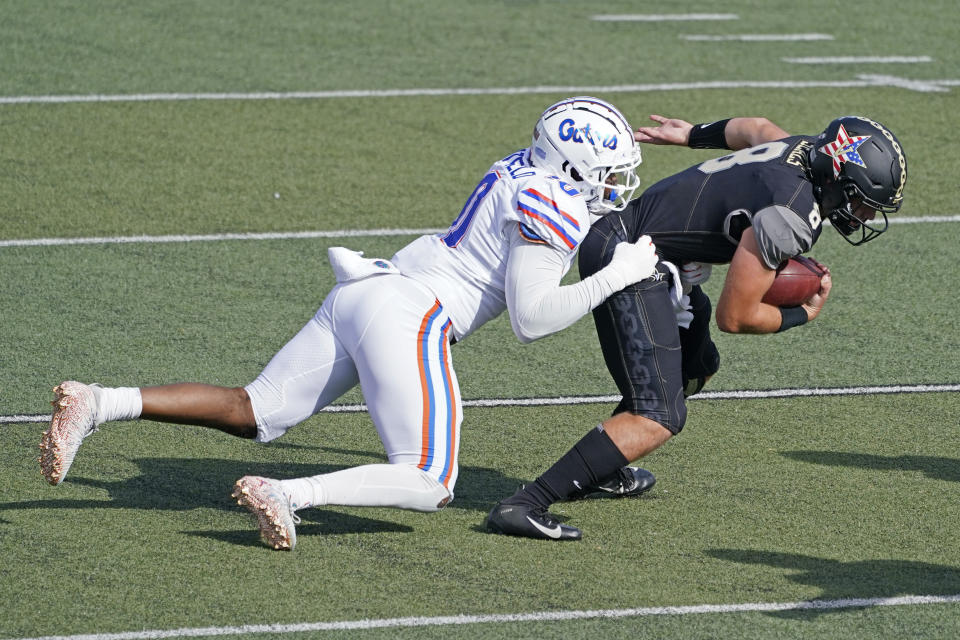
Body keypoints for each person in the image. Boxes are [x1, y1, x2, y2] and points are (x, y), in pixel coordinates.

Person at [39, 96, 662, 550]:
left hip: (371, 289)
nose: (614, 184)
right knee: (429, 479)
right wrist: (618, 273)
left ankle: (101, 401)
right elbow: (532, 319)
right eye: (607, 172)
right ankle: (290, 495)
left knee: (258, 409)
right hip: (414, 316)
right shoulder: (551, 200)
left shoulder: (522, 168)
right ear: (574, 166)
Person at [486, 114, 908, 540]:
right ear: (838, 179)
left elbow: (757, 129)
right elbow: (736, 316)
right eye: (863, 200)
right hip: (633, 256)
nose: (866, 213)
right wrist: (802, 314)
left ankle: (600, 467)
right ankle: (526, 502)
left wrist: (691, 135)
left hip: (657, 251)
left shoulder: (800, 148)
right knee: (659, 414)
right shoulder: (789, 217)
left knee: (696, 366)